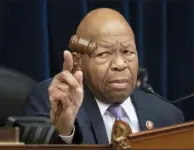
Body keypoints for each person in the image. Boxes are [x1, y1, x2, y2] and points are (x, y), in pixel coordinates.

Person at [24, 8, 184, 144]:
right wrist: (63, 129)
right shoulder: (54, 101)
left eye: (127, 52)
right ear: (78, 61)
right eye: (104, 53)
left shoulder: (167, 116)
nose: (120, 64)